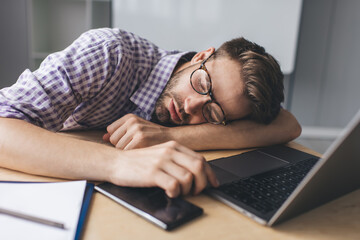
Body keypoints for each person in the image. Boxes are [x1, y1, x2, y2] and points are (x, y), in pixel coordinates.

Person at [0, 28, 301, 198]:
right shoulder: (109, 53)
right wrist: (120, 164)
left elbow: (288, 125)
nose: (191, 106)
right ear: (201, 55)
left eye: (211, 112)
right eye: (201, 83)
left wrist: (171, 136)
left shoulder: (223, 101)